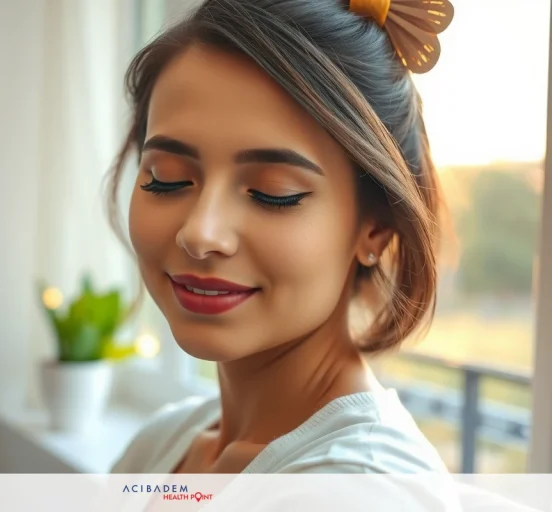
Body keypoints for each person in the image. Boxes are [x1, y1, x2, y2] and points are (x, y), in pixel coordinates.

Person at [106, 0, 455, 475]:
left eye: (274, 193)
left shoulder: (364, 486)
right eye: (167, 179)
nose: (200, 234)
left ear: (374, 228)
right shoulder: (161, 443)